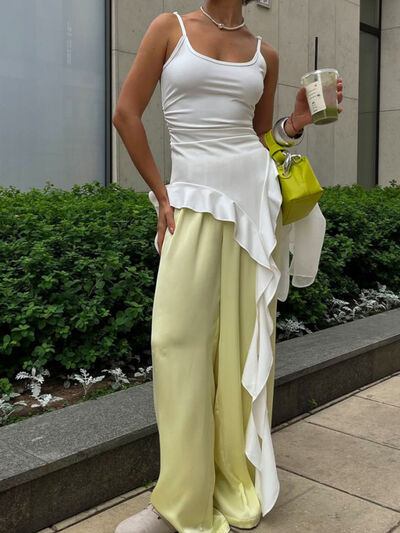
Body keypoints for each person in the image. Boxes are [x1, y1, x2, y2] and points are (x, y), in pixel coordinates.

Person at [112, 1, 344, 532]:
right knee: (175, 342)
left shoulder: (266, 54)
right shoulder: (169, 28)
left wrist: (295, 123)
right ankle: (180, 501)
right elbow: (126, 113)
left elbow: (261, 140)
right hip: (190, 203)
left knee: (238, 352)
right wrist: (161, 194)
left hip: (251, 209)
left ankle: (232, 479)